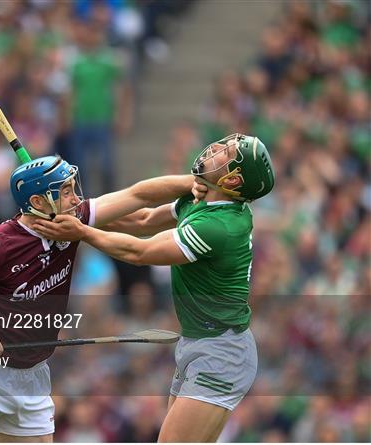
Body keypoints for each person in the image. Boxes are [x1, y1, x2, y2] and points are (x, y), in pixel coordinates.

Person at [0, 154, 207, 443]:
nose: (76, 199)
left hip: (35, 376)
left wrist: (198, 181)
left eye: (73, 188)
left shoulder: (73, 221)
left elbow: (138, 196)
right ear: (38, 202)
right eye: (65, 192)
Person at [32, 134, 276, 442]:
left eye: (225, 152)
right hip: (199, 344)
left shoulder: (219, 227)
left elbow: (141, 252)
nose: (214, 148)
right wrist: (80, 213)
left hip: (222, 353)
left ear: (234, 178)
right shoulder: (202, 198)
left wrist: (81, 232)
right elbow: (144, 218)